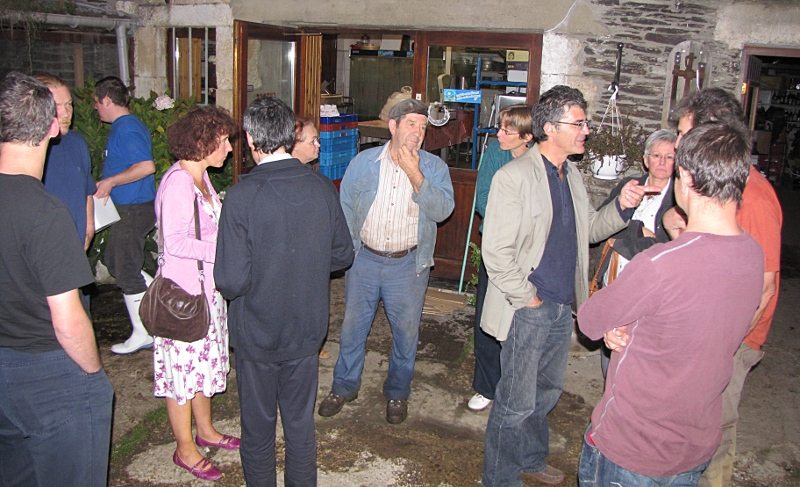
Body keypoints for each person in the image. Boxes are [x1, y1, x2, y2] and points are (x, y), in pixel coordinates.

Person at [479, 85, 652, 486]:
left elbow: (588, 229)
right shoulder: (514, 176)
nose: (587, 130)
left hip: (562, 306)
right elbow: (497, 252)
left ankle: (531, 460)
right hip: (527, 308)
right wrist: (529, 299)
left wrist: (622, 206)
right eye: (579, 123)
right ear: (551, 127)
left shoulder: (570, 174)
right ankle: (500, 478)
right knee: (514, 403)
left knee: (546, 394)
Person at [577, 123, 764, 486]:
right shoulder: (752, 254)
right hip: (694, 443)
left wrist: (623, 323)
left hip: (633, 448)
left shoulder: (661, 264)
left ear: (687, 179)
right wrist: (635, 324)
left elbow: (589, 319)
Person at [215, 96, 353, 486]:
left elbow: (229, 279)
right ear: (289, 138)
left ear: (251, 140)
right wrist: (304, 269)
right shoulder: (321, 188)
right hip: (306, 330)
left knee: (257, 430)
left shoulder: (241, 196)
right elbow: (342, 254)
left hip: (257, 333)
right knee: (299, 425)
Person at [665, 88, 783, 487]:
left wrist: (721, 346)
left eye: (684, 133)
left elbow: (764, 287)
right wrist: (673, 222)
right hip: (705, 330)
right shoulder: (712, 183)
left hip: (731, 338)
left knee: (713, 430)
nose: (677, 143)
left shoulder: (753, 195)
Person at [0, 71, 113, 486]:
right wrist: (93, 373)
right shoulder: (44, 213)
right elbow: (68, 322)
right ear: (52, 127)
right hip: (46, 371)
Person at [317, 98, 455, 425]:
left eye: (423, 127)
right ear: (393, 127)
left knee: (406, 334)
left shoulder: (434, 168)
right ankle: (344, 385)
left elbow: (442, 211)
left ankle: (397, 391)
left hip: (407, 265)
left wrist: (415, 174)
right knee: (352, 329)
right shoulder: (364, 163)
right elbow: (346, 208)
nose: (418, 132)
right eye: (411, 124)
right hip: (364, 260)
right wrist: (348, 254)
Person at [155, 106, 238, 481]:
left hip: (207, 294)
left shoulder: (201, 178)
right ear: (202, 142)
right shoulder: (178, 183)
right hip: (184, 300)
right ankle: (184, 449)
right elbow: (175, 243)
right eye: (223, 142)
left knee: (201, 369)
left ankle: (205, 431)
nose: (230, 149)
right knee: (182, 378)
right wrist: (226, 251)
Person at [596, 128, 677, 377]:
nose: (662, 162)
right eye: (656, 155)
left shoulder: (679, 197)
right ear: (645, 159)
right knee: (612, 342)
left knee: (643, 348)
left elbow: (672, 247)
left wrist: (632, 235)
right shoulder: (629, 185)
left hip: (653, 286)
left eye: (670, 157)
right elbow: (601, 224)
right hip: (617, 278)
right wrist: (639, 229)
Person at [468, 104, 533, 412]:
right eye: (501, 127)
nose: (499, 134)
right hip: (498, 249)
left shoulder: (538, 162)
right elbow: (483, 198)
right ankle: (486, 386)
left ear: (527, 137)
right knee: (488, 317)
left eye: (507, 130)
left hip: (530, 255)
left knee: (524, 320)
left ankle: (516, 387)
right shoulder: (496, 152)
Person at [93, 76, 157, 355]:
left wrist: (110, 182)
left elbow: (146, 166)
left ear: (107, 100)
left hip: (134, 207)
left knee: (124, 267)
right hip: (130, 207)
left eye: (97, 104)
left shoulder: (127, 128)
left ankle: (146, 331)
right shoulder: (124, 126)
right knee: (116, 261)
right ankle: (157, 298)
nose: (96, 109)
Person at [36, 74, 96, 252]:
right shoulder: (27, 149)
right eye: (57, 106)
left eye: (69, 104)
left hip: (73, 246)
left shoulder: (76, 143)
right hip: (40, 248)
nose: (66, 112)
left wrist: (89, 226)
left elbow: (87, 190)